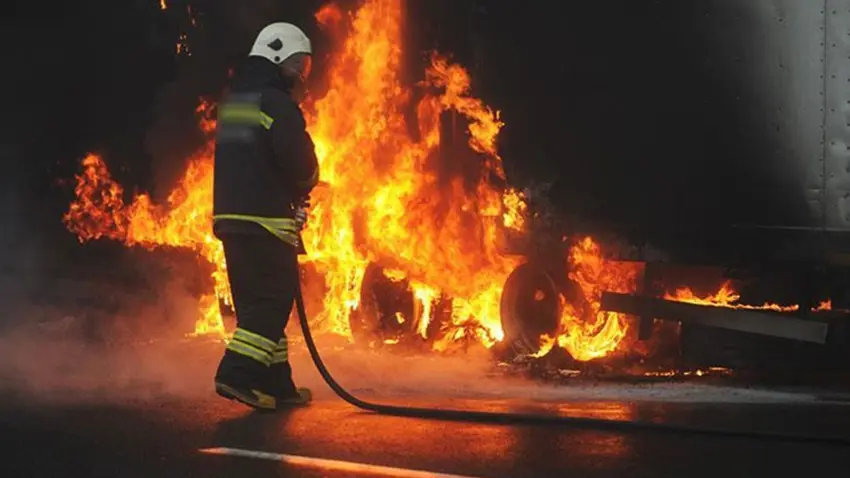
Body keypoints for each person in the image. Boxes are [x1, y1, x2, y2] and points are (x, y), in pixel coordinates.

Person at [211, 22, 319, 411]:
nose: (301, 74)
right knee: (272, 302)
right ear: (277, 56)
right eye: (298, 64)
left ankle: (276, 384)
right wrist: (309, 179)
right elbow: (296, 159)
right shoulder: (276, 103)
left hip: (232, 220)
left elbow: (247, 158)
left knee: (258, 305)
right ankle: (237, 374)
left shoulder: (236, 102)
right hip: (264, 220)